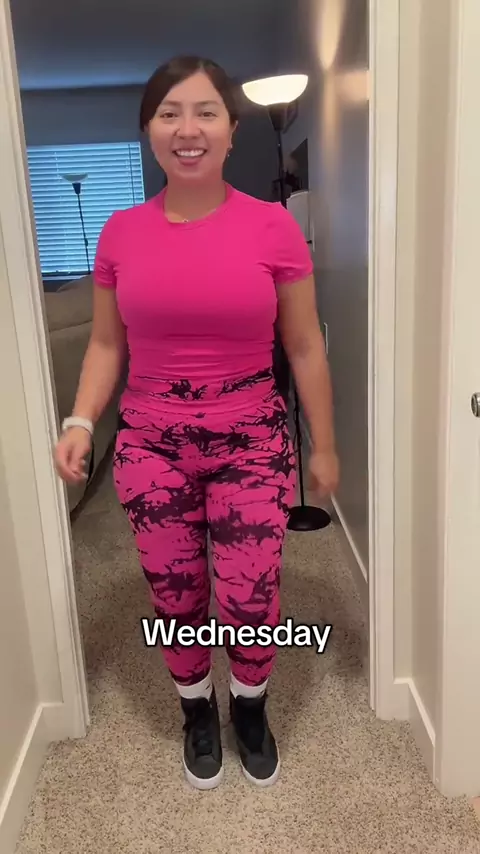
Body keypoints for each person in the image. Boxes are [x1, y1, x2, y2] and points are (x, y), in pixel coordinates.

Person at [54, 55, 339, 791]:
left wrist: (325, 447)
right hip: (152, 445)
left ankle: (250, 707)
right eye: (169, 113)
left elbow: (304, 345)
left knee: (250, 596)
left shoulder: (272, 227)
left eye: (206, 112)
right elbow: (106, 344)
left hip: (253, 441)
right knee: (175, 593)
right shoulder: (120, 233)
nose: (188, 129)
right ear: (149, 130)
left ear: (232, 130)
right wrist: (81, 419)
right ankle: (197, 710)